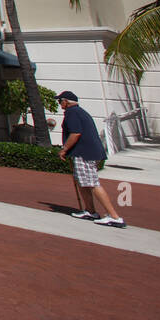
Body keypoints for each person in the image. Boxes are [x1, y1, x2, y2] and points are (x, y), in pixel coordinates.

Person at [56, 90, 125, 228]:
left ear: (66, 102)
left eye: (60, 101)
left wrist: (64, 150)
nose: (59, 104)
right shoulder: (79, 112)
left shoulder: (73, 113)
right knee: (83, 182)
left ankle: (114, 216)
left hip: (84, 153)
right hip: (86, 152)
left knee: (92, 183)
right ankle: (90, 210)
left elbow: (75, 133)